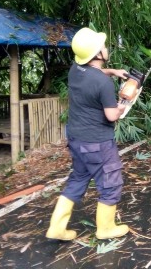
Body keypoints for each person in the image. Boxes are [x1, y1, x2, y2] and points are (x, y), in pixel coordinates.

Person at [46, 27, 134, 241]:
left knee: (79, 177)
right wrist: (124, 105)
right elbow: (112, 115)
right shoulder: (102, 83)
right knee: (111, 183)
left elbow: (92, 74)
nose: (106, 48)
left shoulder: (75, 69)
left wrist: (113, 71)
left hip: (76, 138)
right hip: (97, 143)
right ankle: (105, 228)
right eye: (102, 46)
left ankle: (56, 227)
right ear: (97, 54)